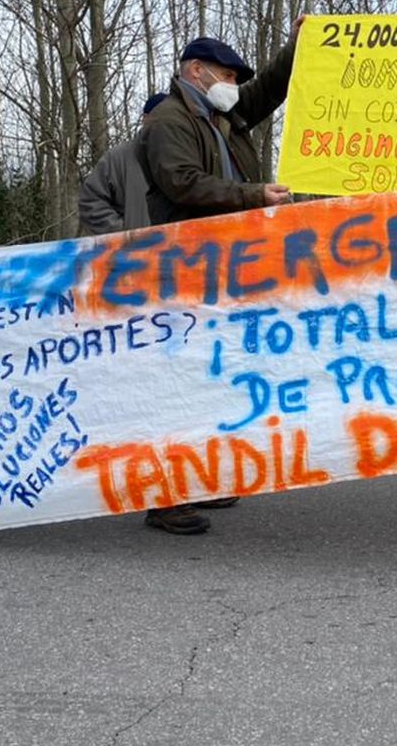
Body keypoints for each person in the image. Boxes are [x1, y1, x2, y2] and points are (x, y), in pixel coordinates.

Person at [135, 27, 300, 533]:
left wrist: (301, 44)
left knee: (208, 374)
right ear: (195, 72)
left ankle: (197, 477)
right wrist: (254, 197)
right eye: (226, 75)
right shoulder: (169, 120)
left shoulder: (222, 117)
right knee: (175, 381)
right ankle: (164, 495)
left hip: (220, 267)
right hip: (179, 268)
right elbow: (182, 183)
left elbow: (270, 87)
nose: (232, 84)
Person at [78, 93, 166, 235]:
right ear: (145, 119)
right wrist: (122, 234)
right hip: (132, 253)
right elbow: (91, 201)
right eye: (159, 117)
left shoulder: (186, 158)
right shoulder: (118, 158)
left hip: (178, 252)